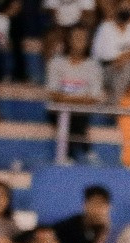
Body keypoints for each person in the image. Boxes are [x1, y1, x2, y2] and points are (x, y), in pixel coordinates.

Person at [45, 25, 102, 162]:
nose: (79, 41)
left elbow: (93, 98)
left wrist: (67, 99)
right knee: (67, 114)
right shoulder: (56, 63)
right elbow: (53, 94)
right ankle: (86, 148)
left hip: (82, 111)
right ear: (68, 40)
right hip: (58, 110)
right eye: (76, 38)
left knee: (76, 115)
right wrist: (78, 99)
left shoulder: (93, 66)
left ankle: (68, 154)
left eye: (83, 38)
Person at [92, 0, 130, 108]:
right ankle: (113, 103)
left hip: (126, 69)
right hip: (104, 71)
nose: (127, 11)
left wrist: (128, 56)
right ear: (117, 8)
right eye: (124, 8)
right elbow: (113, 59)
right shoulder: (106, 28)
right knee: (127, 66)